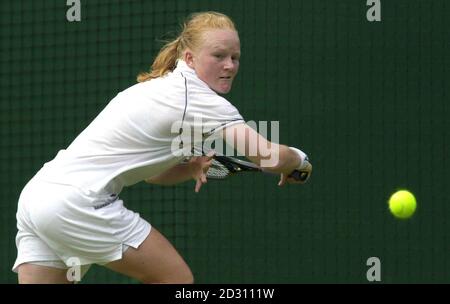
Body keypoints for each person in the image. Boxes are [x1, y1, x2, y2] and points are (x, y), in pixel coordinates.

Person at [13, 11, 312, 284]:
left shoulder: (161, 89)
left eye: (235, 57)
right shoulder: (200, 100)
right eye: (219, 55)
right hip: (78, 204)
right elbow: (269, 157)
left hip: (38, 197)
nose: (229, 65)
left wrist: (191, 168)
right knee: (176, 281)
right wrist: (299, 160)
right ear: (190, 58)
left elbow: (152, 174)